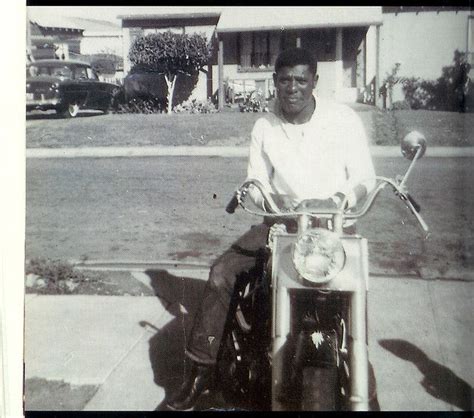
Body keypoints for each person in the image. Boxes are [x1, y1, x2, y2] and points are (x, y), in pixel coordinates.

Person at [167, 47, 376, 411]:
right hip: (280, 223)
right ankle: (201, 370)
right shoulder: (264, 125)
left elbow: (364, 176)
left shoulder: (342, 119)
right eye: (284, 79)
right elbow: (255, 179)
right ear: (275, 82)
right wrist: (266, 199)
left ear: (314, 81)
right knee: (221, 273)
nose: (292, 87)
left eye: (300, 79)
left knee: (352, 288)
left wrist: (339, 199)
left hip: (332, 229)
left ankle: (364, 383)